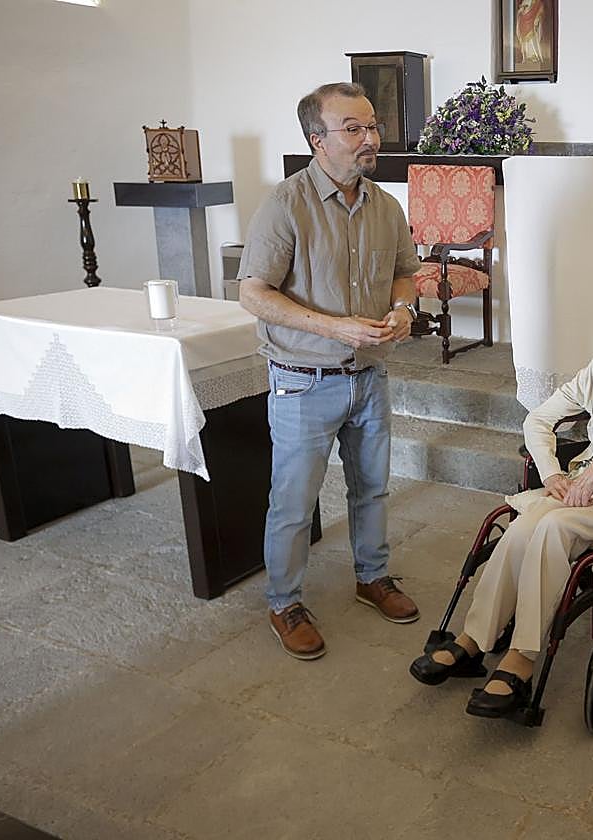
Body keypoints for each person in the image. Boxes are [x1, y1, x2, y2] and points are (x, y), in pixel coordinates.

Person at [409, 283, 593, 718]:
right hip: (583, 483)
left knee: (548, 527)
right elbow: (540, 418)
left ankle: (522, 657)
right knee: (521, 527)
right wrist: (551, 471)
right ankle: (474, 640)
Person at [237, 81, 422, 661]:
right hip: (302, 378)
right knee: (294, 501)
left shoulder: (386, 206)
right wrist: (333, 327)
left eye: (372, 126)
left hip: (368, 377)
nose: (370, 139)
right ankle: (284, 601)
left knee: (372, 488)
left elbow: (404, 272)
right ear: (318, 140)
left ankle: (373, 577)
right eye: (354, 128)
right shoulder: (285, 205)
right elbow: (253, 294)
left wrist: (404, 309)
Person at [516, 0, 547, 66]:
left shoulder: (537, 2)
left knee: (532, 40)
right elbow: (520, 12)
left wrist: (538, 18)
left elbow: (541, 10)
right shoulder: (524, 1)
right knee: (525, 43)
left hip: (532, 24)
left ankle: (535, 56)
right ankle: (526, 57)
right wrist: (520, 11)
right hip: (523, 24)